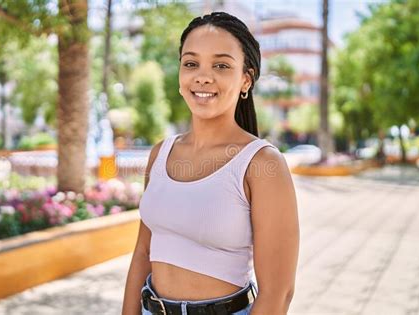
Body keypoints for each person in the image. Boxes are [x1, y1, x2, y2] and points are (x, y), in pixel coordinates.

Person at [122, 11, 299, 315]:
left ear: (246, 79)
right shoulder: (160, 154)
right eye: (191, 63)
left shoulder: (261, 164)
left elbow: (277, 294)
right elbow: (143, 252)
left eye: (221, 65)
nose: (203, 76)